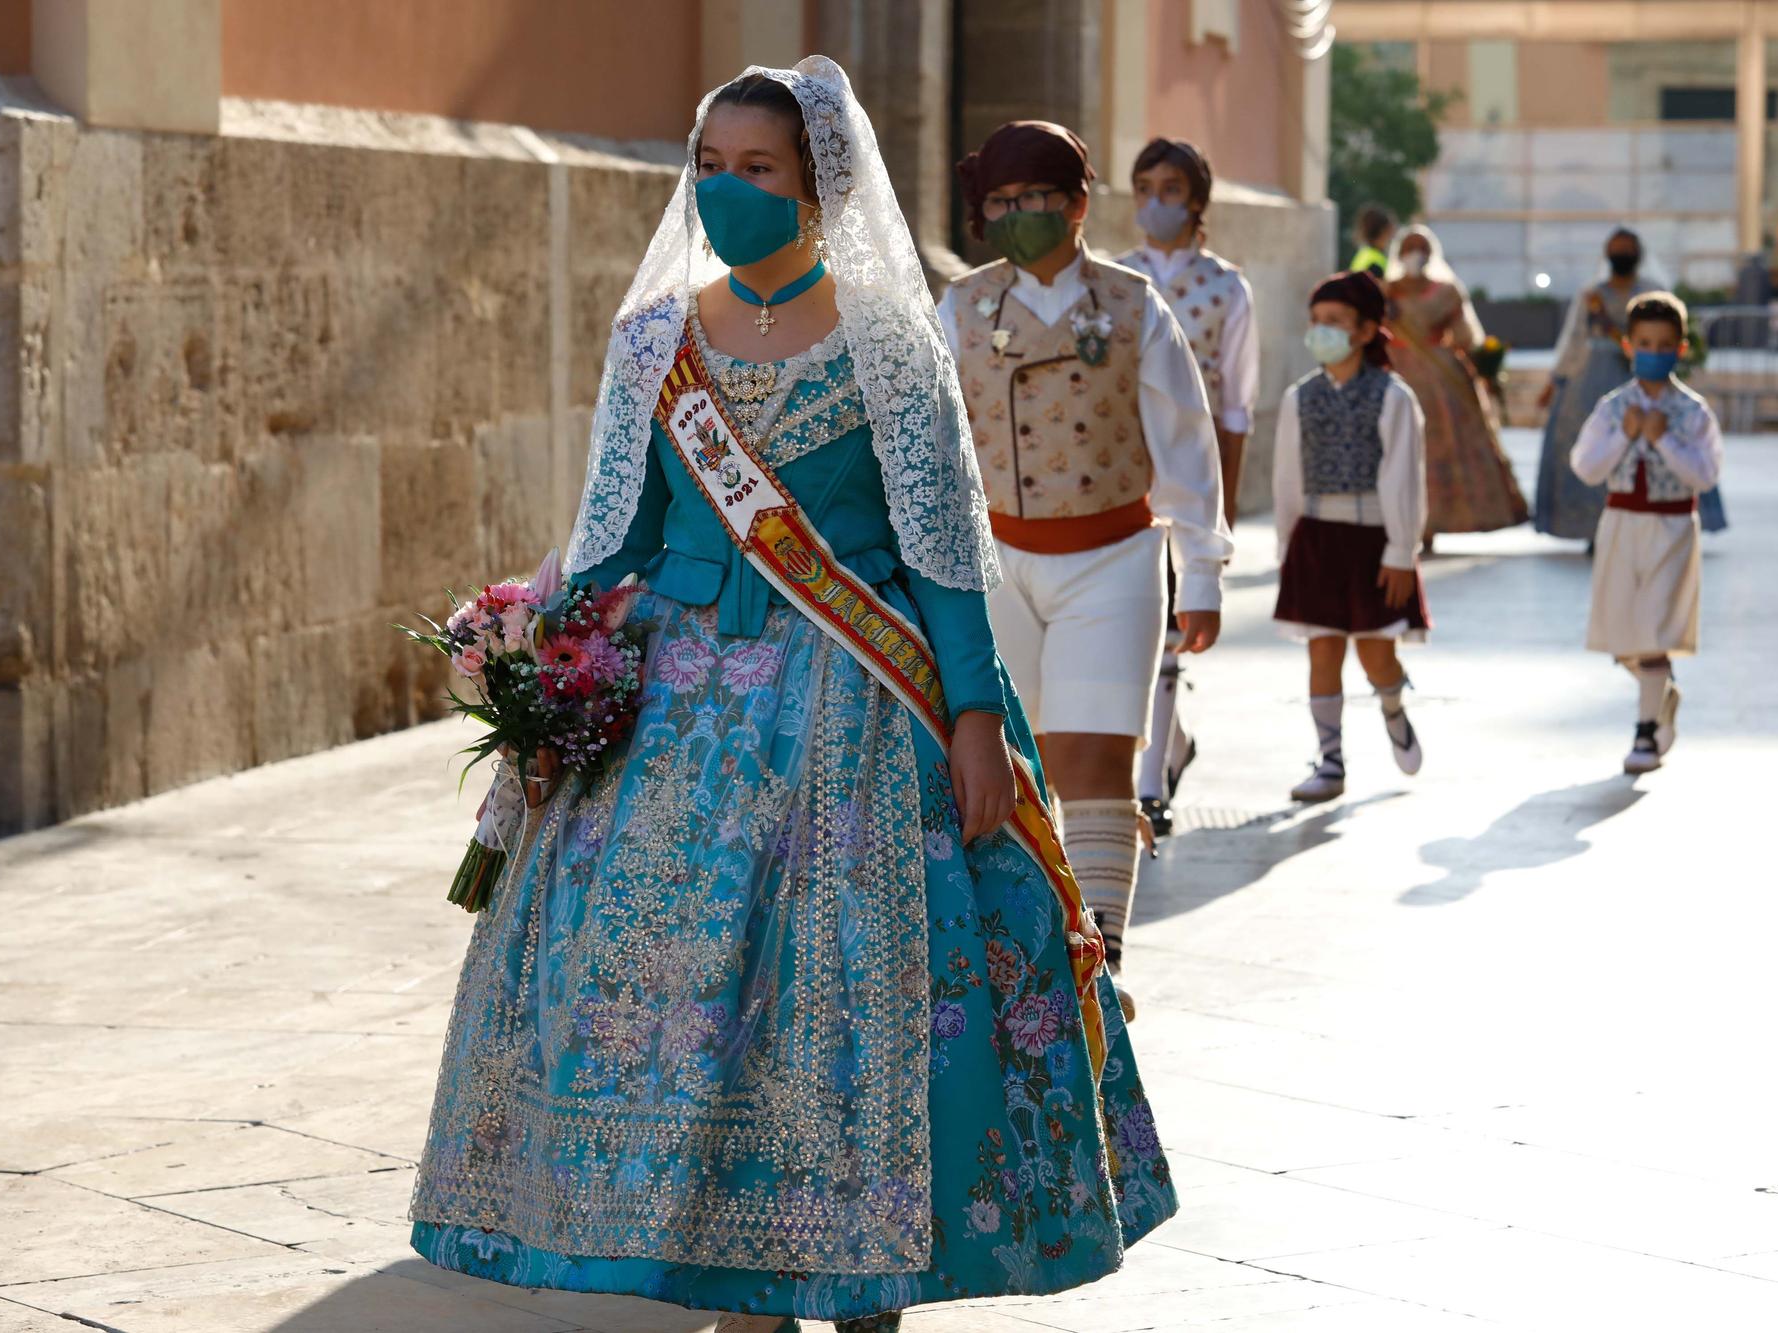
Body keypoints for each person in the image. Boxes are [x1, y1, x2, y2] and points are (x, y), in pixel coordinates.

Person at [407, 61, 1176, 1333]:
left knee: (849, 993)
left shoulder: (887, 342)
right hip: (676, 716)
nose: (726, 190)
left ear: (819, 191)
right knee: (687, 1004)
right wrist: (537, 669)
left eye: (756, 171)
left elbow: (940, 555)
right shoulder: (654, 338)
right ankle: (720, 1263)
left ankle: (868, 1270)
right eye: (709, 165)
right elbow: (614, 540)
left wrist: (978, 723)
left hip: (858, 703)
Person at [937, 121, 1231, 1022]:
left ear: (1076, 204)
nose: (1018, 216)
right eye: (1000, 202)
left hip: (1114, 556)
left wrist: (1205, 571)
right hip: (997, 560)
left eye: (1035, 199)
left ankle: (1099, 959)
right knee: (1009, 763)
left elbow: (1186, 443)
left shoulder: (1136, 304)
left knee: (1096, 753)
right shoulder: (959, 307)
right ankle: (1025, 943)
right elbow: (932, 445)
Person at [1114, 136, 1259, 833]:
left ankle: (1150, 784)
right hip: (1120, 472)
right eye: (1143, 188)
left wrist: (1221, 500)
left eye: (1169, 189)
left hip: (1189, 475)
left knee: (1173, 626)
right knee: (1135, 624)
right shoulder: (1116, 278)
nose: (1154, 203)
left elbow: (1235, 404)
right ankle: (1167, 743)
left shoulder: (1227, 287)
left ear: (1196, 200)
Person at [1272, 270, 1429, 802]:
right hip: (1316, 539)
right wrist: (1287, 547)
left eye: (1336, 322)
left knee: (1375, 654)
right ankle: (1331, 761)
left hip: (1371, 542)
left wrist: (1401, 550)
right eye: (1317, 322)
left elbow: (1403, 479)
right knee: (1322, 653)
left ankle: (1392, 705)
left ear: (1365, 331)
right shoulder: (1300, 397)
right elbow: (1288, 478)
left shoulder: (1392, 397)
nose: (1323, 331)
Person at [1569, 291, 1722, 774]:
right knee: (1622, 634)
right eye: (1644, 342)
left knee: (1655, 626)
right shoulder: (1613, 407)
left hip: (1672, 526)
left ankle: (1644, 733)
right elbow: (1586, 467)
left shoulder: (1694, 413)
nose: (1653, 351)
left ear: (1680, 348)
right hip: (1620, 526)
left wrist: (1664, 439)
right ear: (1628, 346)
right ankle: (1662, 695)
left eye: (1664, 343)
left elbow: (1705, 474)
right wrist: (1624, 435)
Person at [1534, 228, 1728, 545]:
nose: (1621, 254)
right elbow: (1574, 339)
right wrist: (1556, 380)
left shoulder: (1654, 292)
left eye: (1627, 248)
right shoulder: (1591, 296)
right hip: (1594, 376)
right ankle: (1593, 530)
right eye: (1615, 248)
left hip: (1673, 533)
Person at [1382, 224, 1528, 546]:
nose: (1415, 255)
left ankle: (1431, 524)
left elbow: (1465, 336)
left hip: (1439, 379)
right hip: (1395, 372)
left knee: (1439, 448)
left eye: (1422, 248)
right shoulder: (1384, 292)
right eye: (1409, 247)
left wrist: (1485, 366)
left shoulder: (1446, 292)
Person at [1350, 204, 1396, 274]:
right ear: (1383, 230)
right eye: (1390, 229)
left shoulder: (1364, 254)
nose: (1392, 235)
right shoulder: (1376, 264)